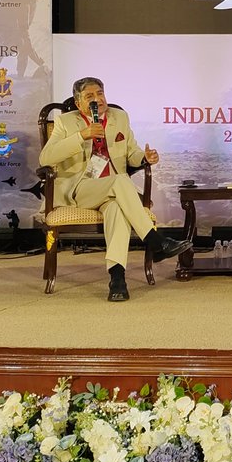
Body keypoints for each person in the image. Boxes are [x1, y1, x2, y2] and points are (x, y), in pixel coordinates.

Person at [40, 76, 189, 302]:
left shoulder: (120, 117)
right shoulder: (65, 122)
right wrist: (82, 135)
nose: (97, 99)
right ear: (79, 103)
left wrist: (145, 158)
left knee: (117, 210)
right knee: (121, 181)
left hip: (112, 190)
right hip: (80, 188)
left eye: (100, 94)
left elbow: (132, 153)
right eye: (90, 96)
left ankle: (117, 279)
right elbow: (46, 158)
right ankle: (155, 241)